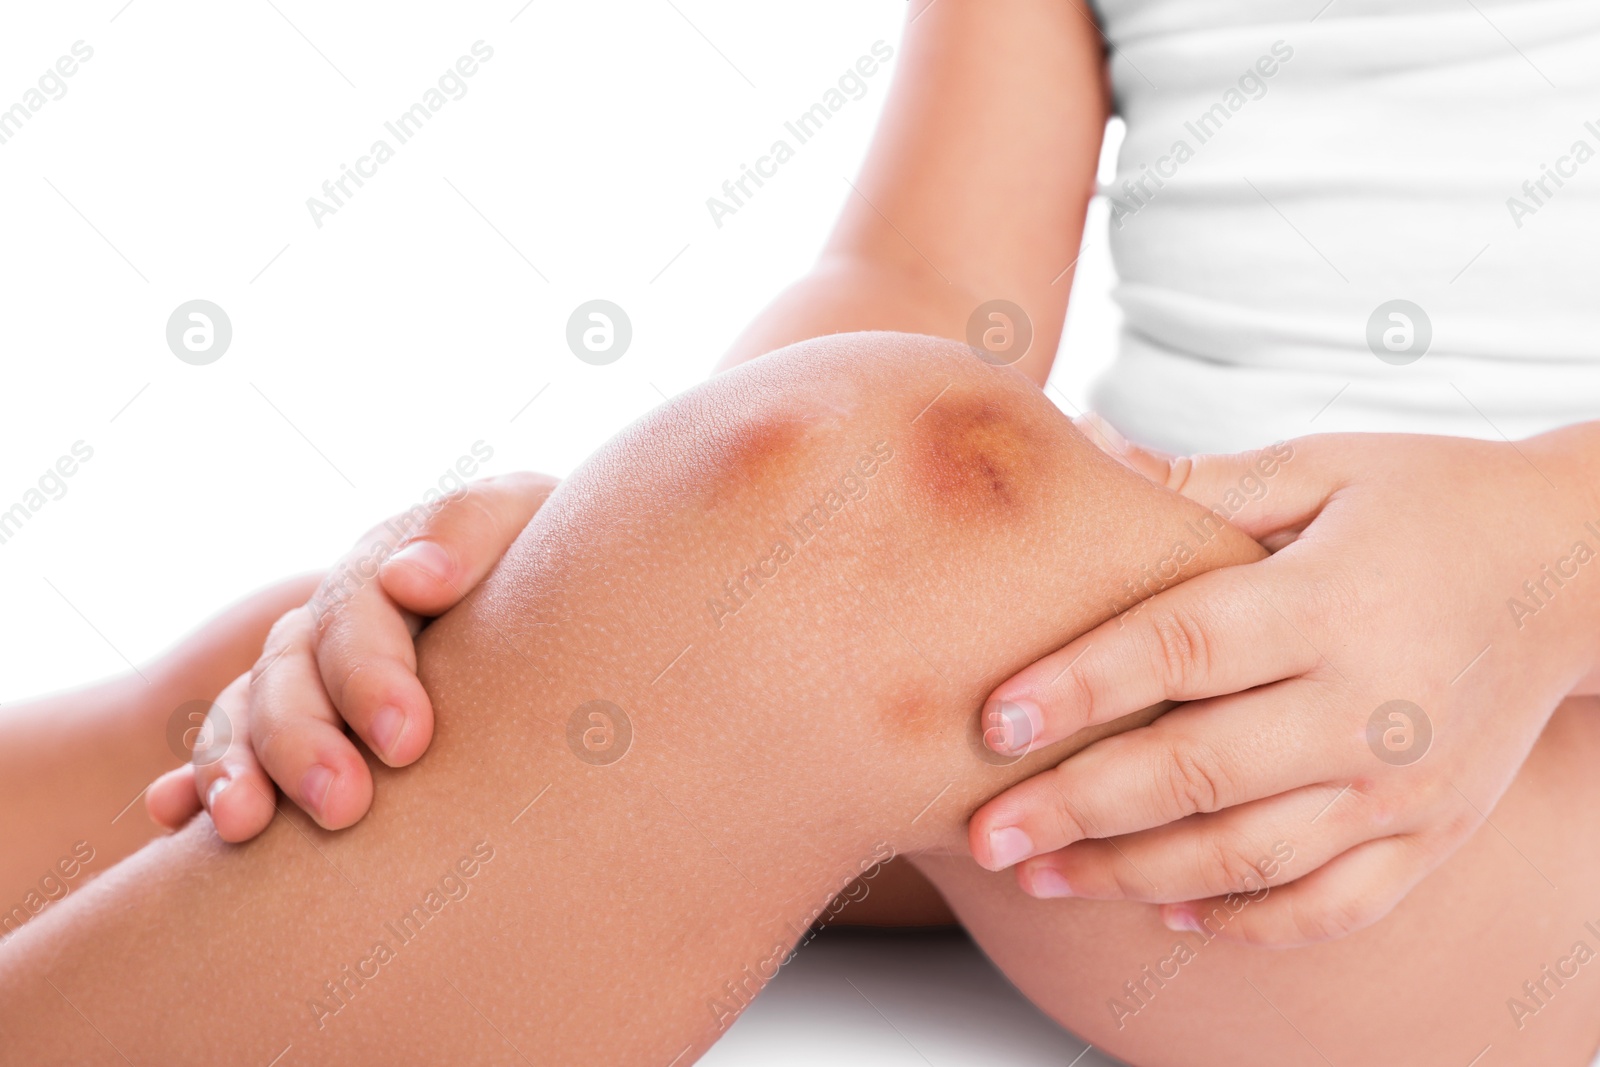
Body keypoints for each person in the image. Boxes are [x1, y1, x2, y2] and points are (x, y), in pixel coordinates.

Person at [6, 2, 1600, 1065]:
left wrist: (1539, 559)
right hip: (1117, 645)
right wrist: (657, 537)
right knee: (391, 677)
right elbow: (923, 283)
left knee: (847, 545)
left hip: (1546, 739)